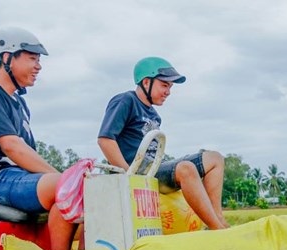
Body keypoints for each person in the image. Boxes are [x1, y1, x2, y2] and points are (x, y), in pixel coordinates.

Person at [0, 27, 75, 250]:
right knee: (70, 186)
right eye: (32, 58)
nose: (38, 66)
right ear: (7, 58)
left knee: (85, 189)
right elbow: (13, 148)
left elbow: (27, 154)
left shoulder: (19, 103)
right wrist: (64, 179)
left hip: (18, 177)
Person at [97, 57, 228, 230]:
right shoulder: (126, 101)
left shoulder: (155, 115)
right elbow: (105, 140)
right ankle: (216, 230)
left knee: (215, 159)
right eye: (164, 85)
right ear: (146, 82)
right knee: (186, 168)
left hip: (154, 170)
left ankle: (218, 218)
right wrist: (129, 176)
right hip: (136, 173)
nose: (168, 92)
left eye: (170, 87)